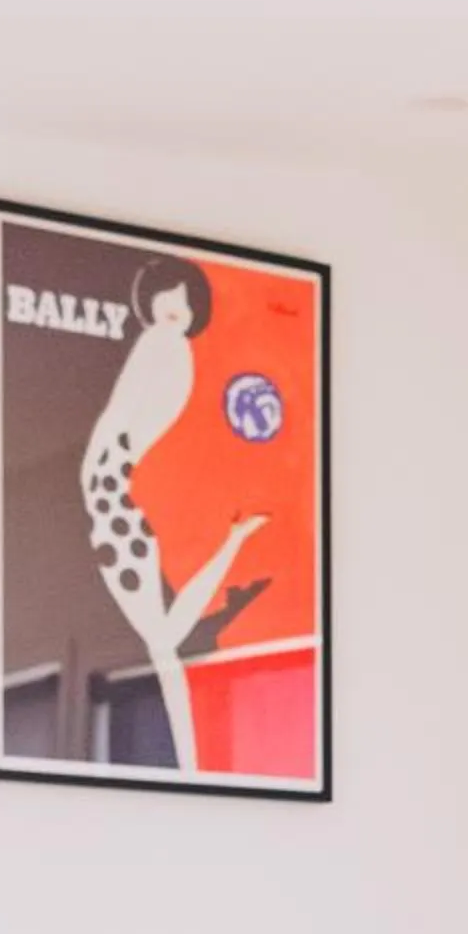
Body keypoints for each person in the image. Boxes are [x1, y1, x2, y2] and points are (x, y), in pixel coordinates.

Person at [80, 255, 264, 774]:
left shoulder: (168, 348)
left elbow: (119, 433)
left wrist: (232, 542)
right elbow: (117, 428)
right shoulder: (162, 345)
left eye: (184, 303)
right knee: (163, 643)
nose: (175, 310)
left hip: (112, 496)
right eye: (168, 298)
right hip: (111, 493)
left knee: (164, 643)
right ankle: (190, 766)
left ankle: (190, 764)